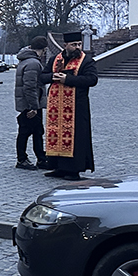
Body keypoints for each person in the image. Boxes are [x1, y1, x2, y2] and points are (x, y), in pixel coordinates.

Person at [40, 32, 97, 180]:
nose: (77, 47)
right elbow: (42, 76)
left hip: (77, 107)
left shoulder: (86, 61)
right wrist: (52, 77)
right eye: (74, 44)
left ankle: (73, 170)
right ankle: (58, 167)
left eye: (79, 44)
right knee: (56, 135)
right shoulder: (55, 59)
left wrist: (68, 79)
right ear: (65, 46)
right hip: (56, 107)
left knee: (76, 137)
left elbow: (92, 79)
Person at [13, 36, 49, 170]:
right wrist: (33, 107)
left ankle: (41, 157)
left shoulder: (26, 60)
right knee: (27, 131)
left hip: (29, 102)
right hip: (31, 103)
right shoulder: (33, 63)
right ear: (44, 49)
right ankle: (23, 159)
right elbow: (30, 87)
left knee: (36, 131)